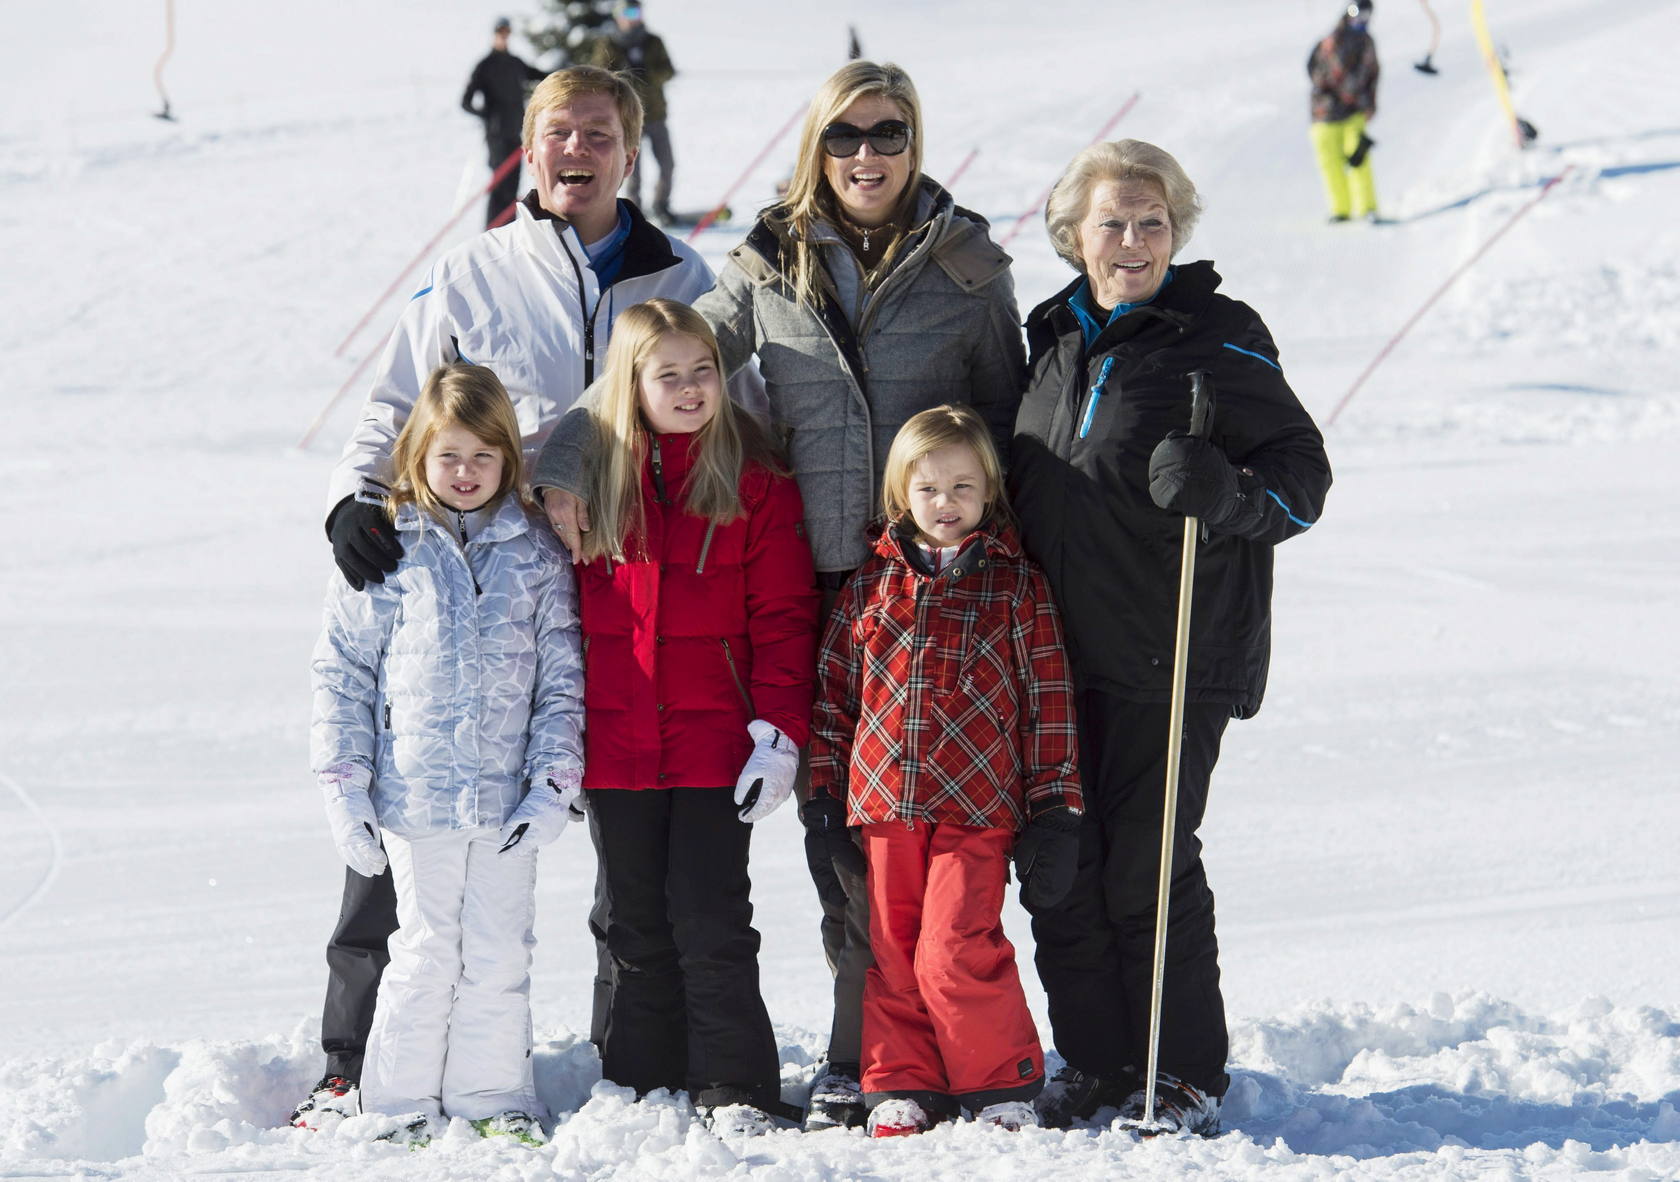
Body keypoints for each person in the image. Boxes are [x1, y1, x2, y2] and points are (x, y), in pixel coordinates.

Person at [534, 59, 1025, 1132]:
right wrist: (564, 462)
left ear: (915, 139)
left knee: (906, 839)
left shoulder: (971, 269)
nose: (867, 154)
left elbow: (1008, 428)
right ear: (817, 145)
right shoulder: (768, 266)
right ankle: (877, 1054)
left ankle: (885, 1058)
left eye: (888, 133)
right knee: (832, 836)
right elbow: (664, 360)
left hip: (925, 594)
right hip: (813, 587)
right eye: (845, 135)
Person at [293, 64, 755, 1131]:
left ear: (630, 152)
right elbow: (394, 403)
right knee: (410, 821)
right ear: (528, 147)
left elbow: (734, 412)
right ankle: (351, 1052)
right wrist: (352, 504)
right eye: (557, 131)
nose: (575, 149)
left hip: (626, 589)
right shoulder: (471, 272)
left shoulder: (682, 274)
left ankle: (623, 1050)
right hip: (483, 576)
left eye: (598, 131)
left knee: (597, 821)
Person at [1009, 139, 1332, 1135]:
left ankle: (1179, 1069)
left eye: (1154, 221)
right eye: (1114, 221)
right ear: (1075, 235)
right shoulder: (1052, 336)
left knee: (1145, 864)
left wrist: (1232, 493)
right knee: (1059, 867)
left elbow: (1303, 481)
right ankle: (1098, 1061)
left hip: (1171, 647)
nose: (1135, 239)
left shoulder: (1219, 335)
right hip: (1052, 659)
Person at [309, 363, 585, 1147]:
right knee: (426, 951)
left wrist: (553, 782)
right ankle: (395, 1107)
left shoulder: (535, 551)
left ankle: (492, 1097)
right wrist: (344, 786)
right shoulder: (387, 549)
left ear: (508, 460)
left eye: (483, 458)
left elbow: (562, 676)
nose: (465, 474)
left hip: (506, 802)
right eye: (448, 456)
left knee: (499, 950)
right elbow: (342, 672)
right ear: (418, 457)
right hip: (415, 795)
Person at [573, 299, 818, 1135]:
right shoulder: (588, 486)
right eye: (667, 375)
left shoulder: (754, 483)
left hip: (720, 743)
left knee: (709, 913)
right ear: (630, 384)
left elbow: (786, 618)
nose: (689, 389)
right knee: (629, 917)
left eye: (703, 371)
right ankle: (637, 1082)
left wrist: (779, 734)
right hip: (614, 742)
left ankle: (735, 1084)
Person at [810, 405, 1082, 1138]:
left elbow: (1047, 706)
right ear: (902, 496)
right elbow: (834, 699)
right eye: (929, 489)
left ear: (988, 493)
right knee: (893, 950)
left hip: (978, 805)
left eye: (963, 487)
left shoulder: (1016, 588)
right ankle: (903, 1081)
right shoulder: (870, 589)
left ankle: (999, 1081)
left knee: (956, 943)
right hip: (882, 802)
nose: (946, 503)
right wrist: (823, 798)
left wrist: (1057, 808)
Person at [587, 2, 676, 223]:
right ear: (618, 16)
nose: (632, 18)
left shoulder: (652, 41)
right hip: (627, 116)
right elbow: (601, 75)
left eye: (636, 12)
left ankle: (661, 205)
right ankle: (637, 211)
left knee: (667, 163)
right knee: (632, 168)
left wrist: (649, 72)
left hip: (655, 113)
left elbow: (668, 70)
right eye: (627, 13)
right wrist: (625, 73)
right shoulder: (609, 43)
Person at [462, 17, 548, 229]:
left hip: (515, 133)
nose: (503, 35)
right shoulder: (485, 65)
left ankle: (509, 230)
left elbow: (539, 75)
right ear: (494, 34)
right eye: (500, 31)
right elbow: (465, 102)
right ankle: (491, 232)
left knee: (513, 185)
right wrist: (487, 116)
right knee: (499, 185)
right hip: (496, 136)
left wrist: (563, 74)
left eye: (507, 31)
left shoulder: (515, 62)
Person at [1309, 0, 1382, 223]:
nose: (1361, 21)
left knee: (1359, 158)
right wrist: (1333, 91)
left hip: (1353, 113)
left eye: (1366, 16)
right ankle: (1340, 209)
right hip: (1325, 112)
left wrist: (1369, 103)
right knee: (1330, 163)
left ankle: (1367, 207)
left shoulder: (1366, 43)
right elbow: (1315, 70)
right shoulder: (1331, 41)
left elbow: (1372, 75)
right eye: (1357, 15)